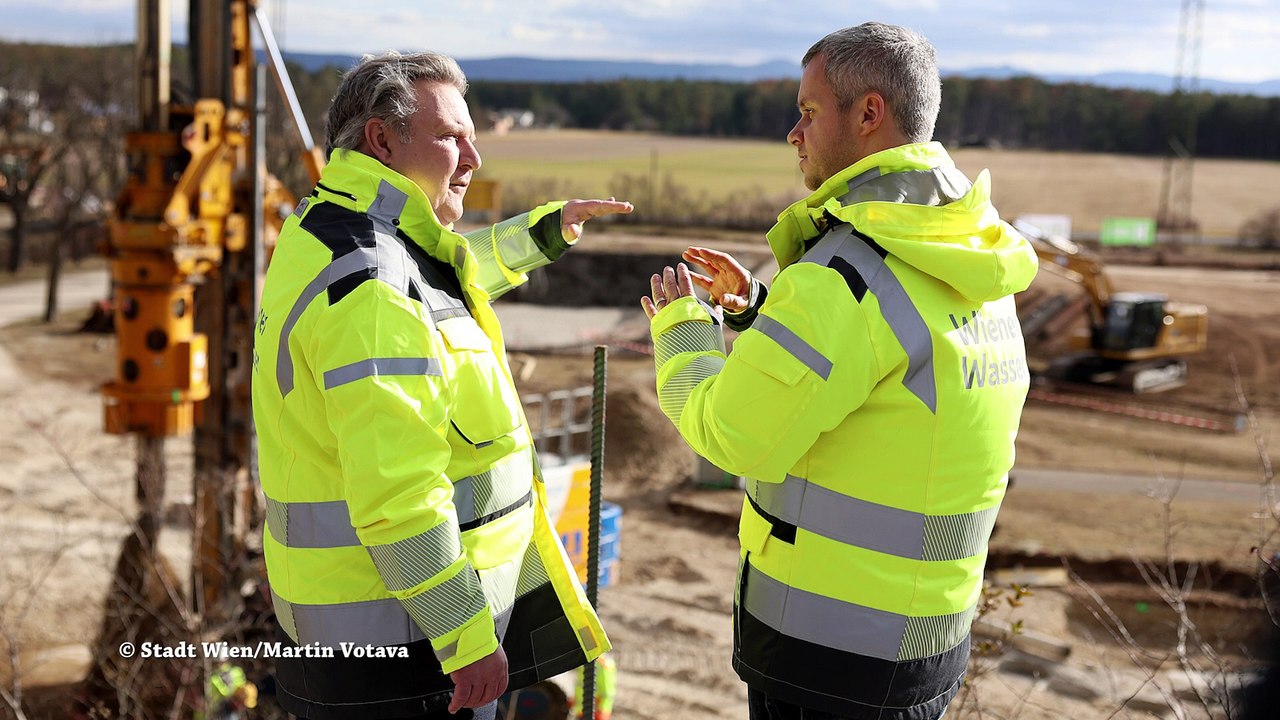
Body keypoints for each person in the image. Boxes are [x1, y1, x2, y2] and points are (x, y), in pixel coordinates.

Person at [640, 22, 1038, 720]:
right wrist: (759, 314)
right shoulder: (970, 258)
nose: (794, 132)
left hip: (825, 659)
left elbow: (731, 435)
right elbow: (879, 381)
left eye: (809, 111)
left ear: (870, 114)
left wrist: (683, 332)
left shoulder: (845, 276)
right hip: (924, 641)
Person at [252, 51, 630, 719]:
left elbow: (435, 285)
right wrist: (464, 637)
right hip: (406, 659)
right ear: (382, 139)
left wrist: (541, 235)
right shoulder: (374, 289)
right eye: (452, 136)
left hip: (368, 635)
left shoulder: (336, 231)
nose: (474, 158)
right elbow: (398, 494)